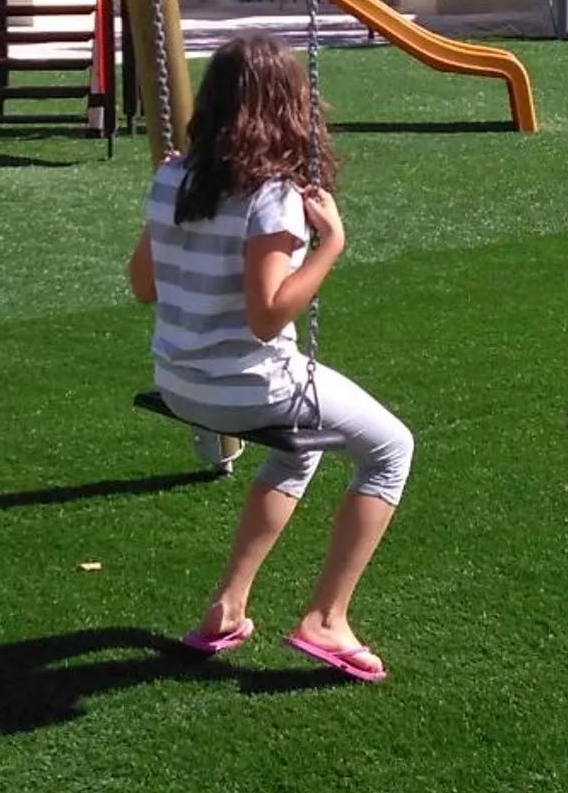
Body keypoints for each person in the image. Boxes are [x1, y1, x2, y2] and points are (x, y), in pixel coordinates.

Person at [127, 36, 413, 684]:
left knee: (301, 447)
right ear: (285, 107)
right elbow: (266, 316)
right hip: (249, 388)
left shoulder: (173, 177)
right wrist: (330, 244)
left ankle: (228, 607)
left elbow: (143, 286)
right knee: (392, 449)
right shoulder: (271, 196)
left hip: (178, 382)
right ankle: (327, 618)